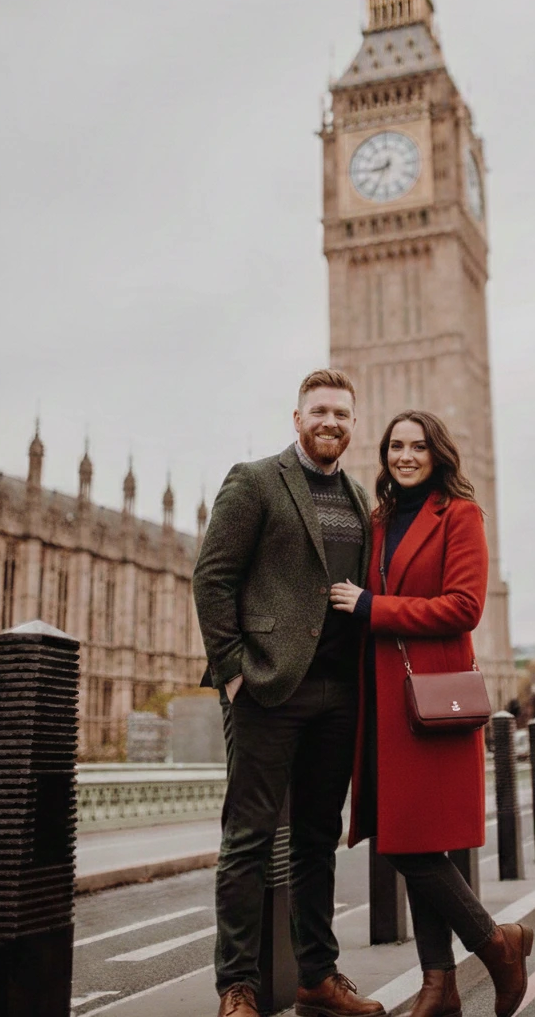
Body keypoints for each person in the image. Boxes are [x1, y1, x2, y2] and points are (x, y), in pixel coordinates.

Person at [194, 370, 385, 1017]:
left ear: (353, 425)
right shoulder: (255, 481)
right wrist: (233, 672)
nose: (331, 422)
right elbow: (212, 578)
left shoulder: (361, 499)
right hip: (269, 689)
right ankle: (238, 987)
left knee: (315, 840)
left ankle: (317, 978)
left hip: (338, 692)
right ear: (297, 417)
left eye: (342, 414)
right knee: (247, 840)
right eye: (320, 411)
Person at [330, 411, 533, 1017]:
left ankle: (497, 946)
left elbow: (464, 606)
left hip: (434, 703)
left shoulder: (461, 515)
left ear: (437, 454)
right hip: (384, 704)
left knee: (411, 846)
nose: (406, 456)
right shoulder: (379, 519)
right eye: (396, 446)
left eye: (418, 446)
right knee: (409, 841)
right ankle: (439, 987)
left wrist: (374, 606)